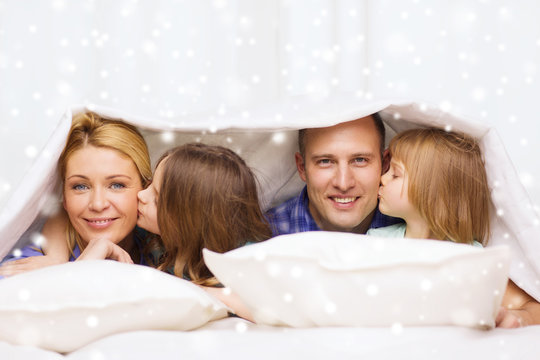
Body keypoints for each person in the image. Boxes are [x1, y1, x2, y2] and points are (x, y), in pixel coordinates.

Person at [368, 127, 540, 328]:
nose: (382, 178)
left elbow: (533, 306)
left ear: (431, 193)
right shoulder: (375, 243)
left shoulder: (473, 257)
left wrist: (517, 318)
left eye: (395, 174)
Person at [0, 111, 153, 275]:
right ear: (64, 197)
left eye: (116, 185)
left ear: (145, 189)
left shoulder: (158, 248)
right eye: (80, 187)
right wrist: (72, 271)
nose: (98, 204)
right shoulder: (29, 268)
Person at [137, 143, 272, 286]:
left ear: (190, 224)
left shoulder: (244, 266)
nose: (141, 195)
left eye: (157, 201)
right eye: (149, 184)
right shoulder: (147, 232)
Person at [266, 113, 401, 236]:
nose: (343, 184)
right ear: (302, 168)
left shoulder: (416, 230)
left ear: (385, 164)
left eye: (360, 160)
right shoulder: (262, 237)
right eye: (325, 161)